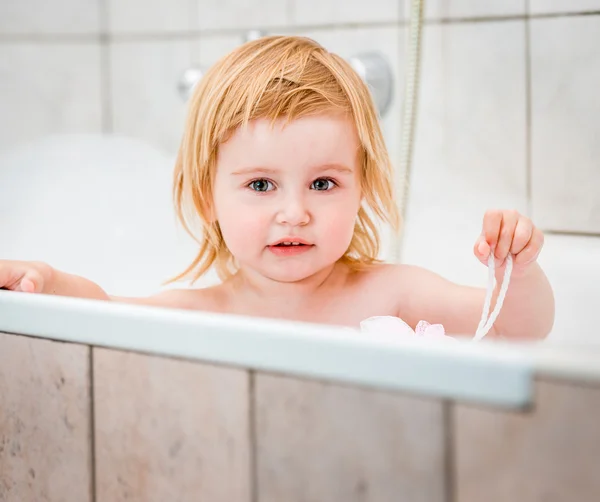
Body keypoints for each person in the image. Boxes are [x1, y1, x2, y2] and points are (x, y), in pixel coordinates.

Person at [0, 36, 554, 339]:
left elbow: (513, 329)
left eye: (323, 183)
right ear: (205, 199)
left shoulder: (396, 295)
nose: (295, 212)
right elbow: (106, 312)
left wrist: (519, 273)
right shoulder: (203, 314)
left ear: (361, 189)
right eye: (262, 184)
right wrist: (48, 282)